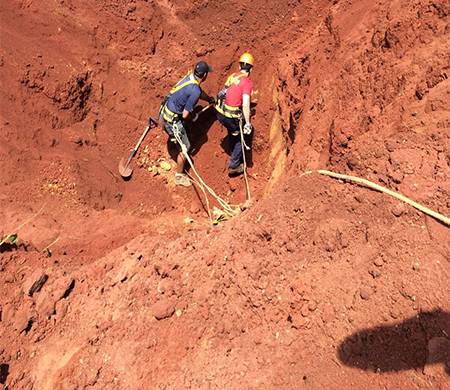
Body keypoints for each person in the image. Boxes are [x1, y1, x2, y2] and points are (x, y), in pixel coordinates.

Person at [159, 61, 215, 186]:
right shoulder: (194, 91)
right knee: (186, 148)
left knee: (185, 127)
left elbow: (199, 92)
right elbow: (185, 115)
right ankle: (179, 176)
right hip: (170, 121)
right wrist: (194, 116)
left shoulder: (189, 77)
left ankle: (174, 141)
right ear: (205, 75)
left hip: (164, 113)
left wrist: (209, 99)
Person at [215, 52, 254, 176]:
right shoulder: (247, 82)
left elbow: (225, 92)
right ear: (251, 69)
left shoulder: (232, 76)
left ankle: (232, 146)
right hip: (231, 117)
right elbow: (246, 104)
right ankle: (234, 165)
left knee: (233, 132)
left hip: (221, 113)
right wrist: (248, 123)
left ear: (239, 67)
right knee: (239, 138)